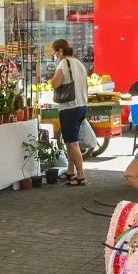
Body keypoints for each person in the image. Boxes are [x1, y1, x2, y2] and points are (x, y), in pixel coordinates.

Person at [49, 38, 89, 186]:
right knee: (70, 140)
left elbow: (55, 83)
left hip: (69, 107)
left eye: (55, 52)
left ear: (60, 50)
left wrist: (51, 80)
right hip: (81, 105)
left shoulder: (63, 63)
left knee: (72, 143)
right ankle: (70, 171)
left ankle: (81, 176)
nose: (56, 55)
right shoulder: (79, 63)